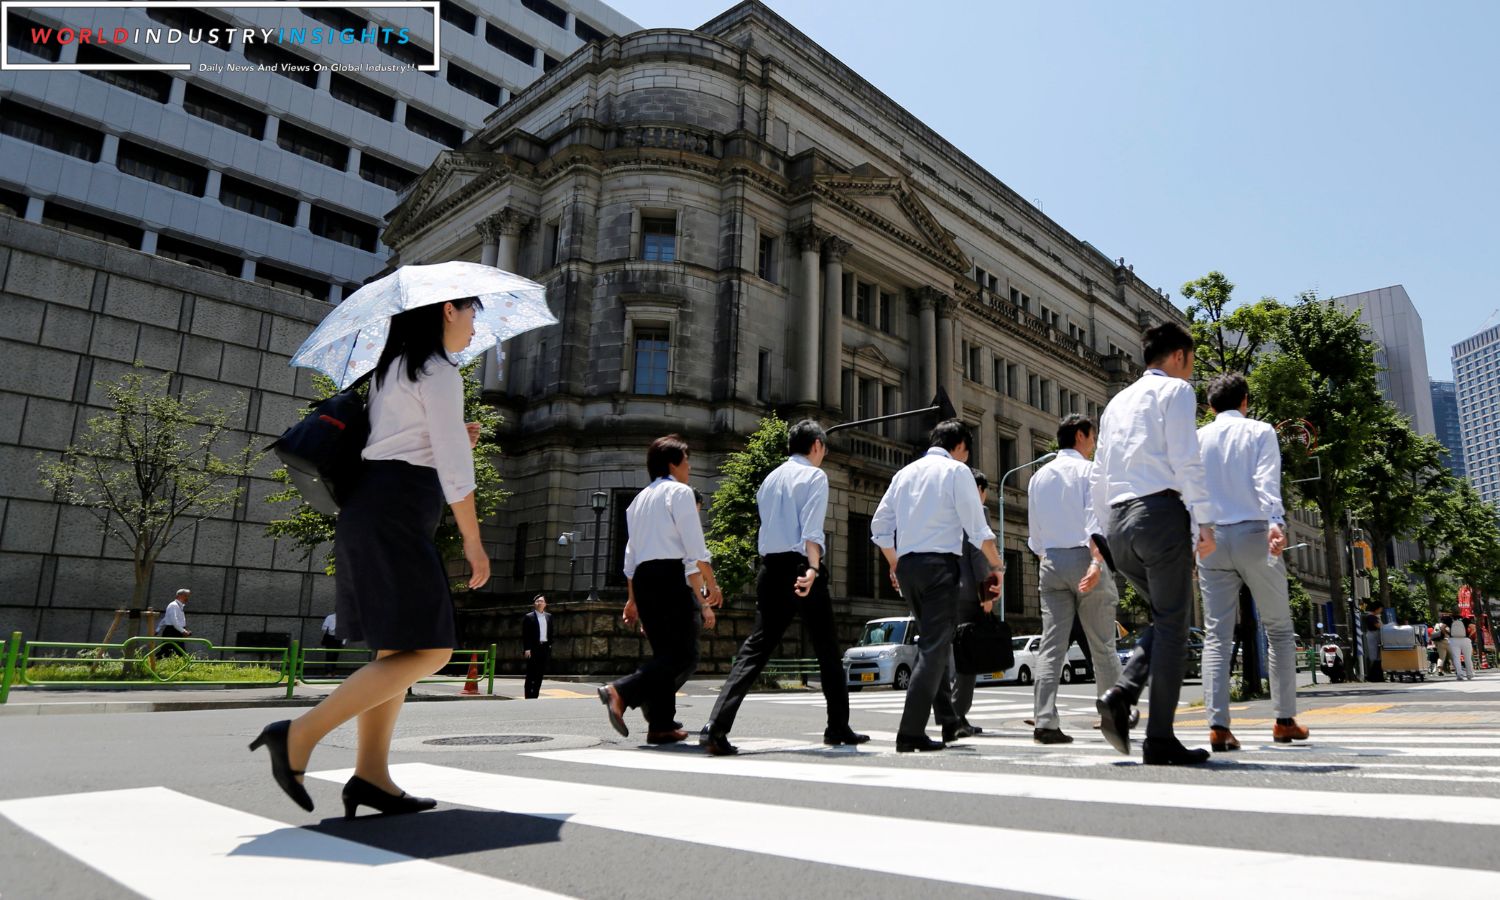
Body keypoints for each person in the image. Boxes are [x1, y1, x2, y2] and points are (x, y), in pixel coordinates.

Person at [250, 296, 491, 818]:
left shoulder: (391, 369)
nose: (477, 326)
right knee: (431, 650)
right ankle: (297, 734)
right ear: (448, 310)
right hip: (398, 512)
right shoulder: (441, 371)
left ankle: (371, 776)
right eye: (473, 313)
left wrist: (451, 437)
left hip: (372, 506)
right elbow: (451, 466)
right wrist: (473, 541)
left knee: (395, 653)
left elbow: (404, 441)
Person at [1090, 321, 1216, 766]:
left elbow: (1099, 472)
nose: (1191, 372)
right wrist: (1203, 520)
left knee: (1167, 622)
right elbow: (1186, 457)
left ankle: (1123, 695)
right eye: (1192, 362)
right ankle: (1157, 736)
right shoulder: (1177, 393)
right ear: (1179, 356)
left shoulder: (1115, 403)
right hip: (1160, 515)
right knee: (1174, 628)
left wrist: (1101, 532)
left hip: (1119, 525)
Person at [701, 420, 868, 755]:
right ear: (817, 446)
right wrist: (812, 569)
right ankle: (837, 727)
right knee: (827, 650)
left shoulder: (770, 479)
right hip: (800, 568)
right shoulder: (814, 477)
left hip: (770, 567)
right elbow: (811, 531)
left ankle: (715, 726)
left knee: (755, 648)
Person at [871, 420, 1002, 753]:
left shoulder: (904, 474)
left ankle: (948, 720)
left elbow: (879, 526)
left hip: (909, 567)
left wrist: (894, 562)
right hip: (939, 567)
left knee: (935, 644)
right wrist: (997, 567)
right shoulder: (956, 472)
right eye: (967, 452)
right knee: (933, 649)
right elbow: (977, 529)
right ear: (959, 446)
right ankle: (910, 731)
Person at [1194, 374, 1309, 752]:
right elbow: (1266, 480)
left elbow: (1189, 491)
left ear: (1210, 407)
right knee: (1278, 629)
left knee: (1216, 635)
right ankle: (1284, 720)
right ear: (1245, 400)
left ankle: (1218, 727)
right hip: (1254, 534)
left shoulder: (1196, 439)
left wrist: (1196, 532)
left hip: (1210, 539)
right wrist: (1276, 522)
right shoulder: (1260, 432)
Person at [599, 435, 723, 745]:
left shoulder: (639, 500)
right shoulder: (679, 493)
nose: (690, 467)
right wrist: (711, 582)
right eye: (687, 460)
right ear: (673, 464)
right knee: (683, 654)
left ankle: (661, 725)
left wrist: (631, 598)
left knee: (666, 654)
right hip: (669, 575)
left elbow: (631, 553)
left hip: (644, 578)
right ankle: (622, 691)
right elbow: (694, 543)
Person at [1027, 414, 1122, 746]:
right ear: (1081, 436)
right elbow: (1096, 522)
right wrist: (1097, 562)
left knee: (1051, 647)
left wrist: (1050, 562)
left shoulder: (1038, 477)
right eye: (1092, 436)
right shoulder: (1090, 471)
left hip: (1050, 561)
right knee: (1102, 645)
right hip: (1086, 558)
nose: (1093, 443)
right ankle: (1112, 716)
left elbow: (1035, 538)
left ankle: (1045, 721)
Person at [939, 467, 997, 738]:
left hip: (948, 590)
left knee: (953, 657)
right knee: (967, 660)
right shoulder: (978, 512)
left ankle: (953, 714)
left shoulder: (949, 509)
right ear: (982, 491)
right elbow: (979, 556)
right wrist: (987, 595)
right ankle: (958, 715)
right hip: (971, 594)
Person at [521, 595, 554, 699]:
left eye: (541, 601)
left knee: (540, 673)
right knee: (531, 672)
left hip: (544, 647)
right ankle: (528, 695)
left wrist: (550, 645)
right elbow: (525, 634)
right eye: (537, 601)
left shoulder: (549, 616)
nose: (539, 603)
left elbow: (551, 632)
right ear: (534, 604)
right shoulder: (529, 617)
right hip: (533, 648)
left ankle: (535, 695)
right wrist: (527, 648)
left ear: (545, 604)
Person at [154, 589, 192, 656]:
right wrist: (183, 631)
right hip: (172, 632)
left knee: (167, 652)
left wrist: (157, 629)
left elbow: (165, 618)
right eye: (186, 596)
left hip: (174, 631)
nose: (187, 598)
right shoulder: (173, 605)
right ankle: (151, 663)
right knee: (179, 653)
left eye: (188, 596)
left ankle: (152, 663)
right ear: (179, 596)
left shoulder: (178, 606)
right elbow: (174, 620)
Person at [1450, 613, 1476, 681]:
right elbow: (1474, 628)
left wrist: (1448, 635)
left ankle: (1459, 675)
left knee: (1456, 658)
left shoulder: (1449, 620)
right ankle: (1469, 674)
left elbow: (1442, 628)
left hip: (1453, 640)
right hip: (1465, 639)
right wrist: (1469, 636)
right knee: (1468, 658)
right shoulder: (1465, 620)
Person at [319, 612, 345, 677]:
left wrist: (343, 642)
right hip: (331, 637)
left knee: (335, 655)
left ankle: (332, 672)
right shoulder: (330, 617)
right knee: (330, 655)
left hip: (339, 637)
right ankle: (328, 672)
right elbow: (324, 628)